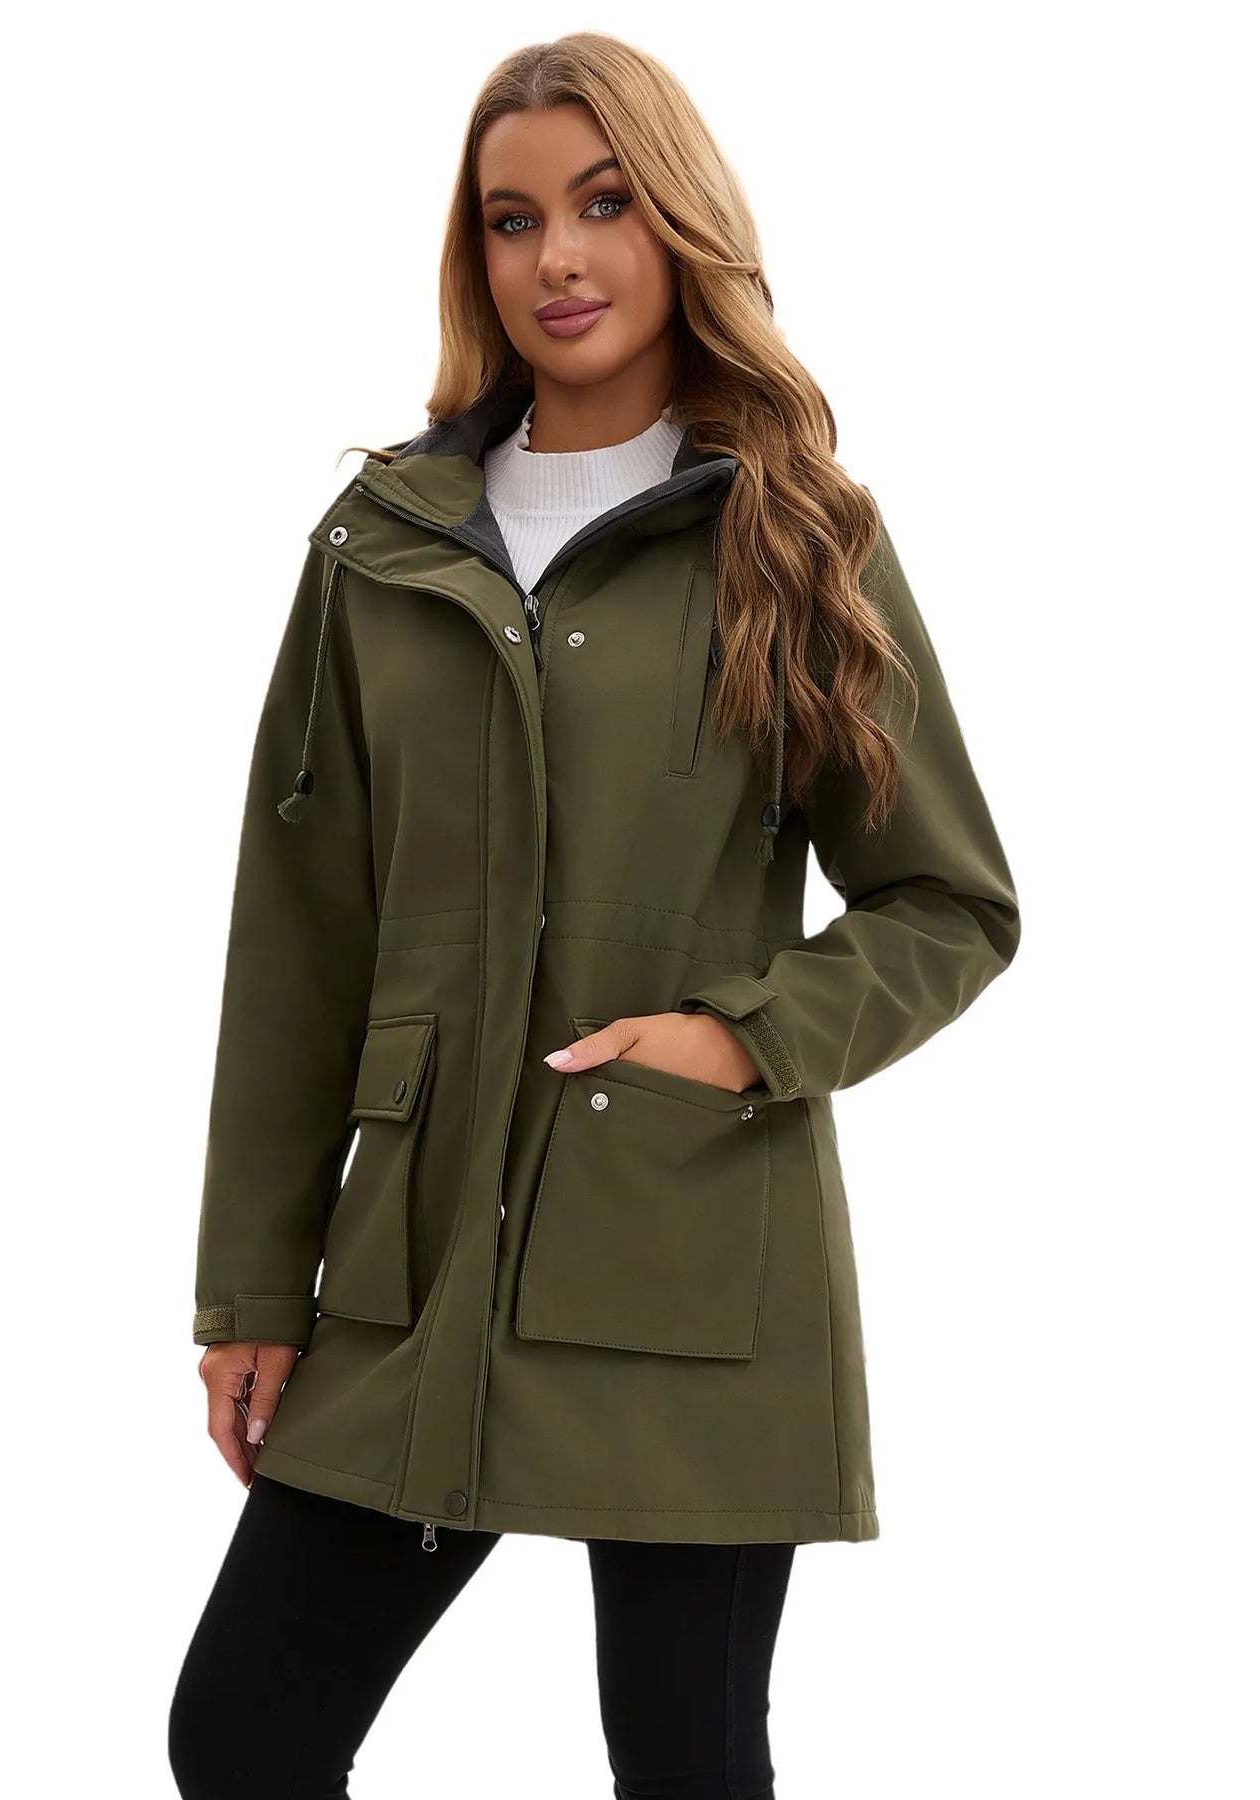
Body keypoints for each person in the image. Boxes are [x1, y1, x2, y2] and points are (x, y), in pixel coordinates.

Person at [168, 30, 1020, 1800]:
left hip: (685, 1253)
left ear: (678, 220)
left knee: (685, 1763)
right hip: (414, 1270)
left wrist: (743, 1039)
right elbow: (298, 939)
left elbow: (947, 900)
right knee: (245, 1734)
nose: (556, 256)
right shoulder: (377, 546)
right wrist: (253, 1283)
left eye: (604, 203)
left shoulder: (796, 538)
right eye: (511, 218)